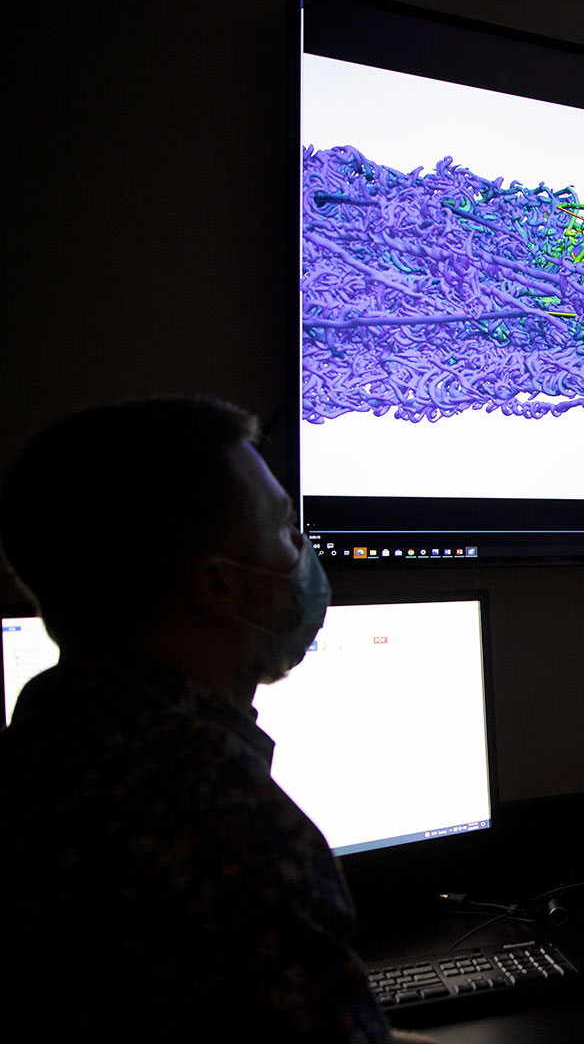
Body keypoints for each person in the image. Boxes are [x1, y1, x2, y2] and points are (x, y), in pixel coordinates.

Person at [0, 397, 423, 1042]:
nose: (304, 556)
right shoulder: (223, 826)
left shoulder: (42, 740)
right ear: (218, 586)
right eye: (285, 530)